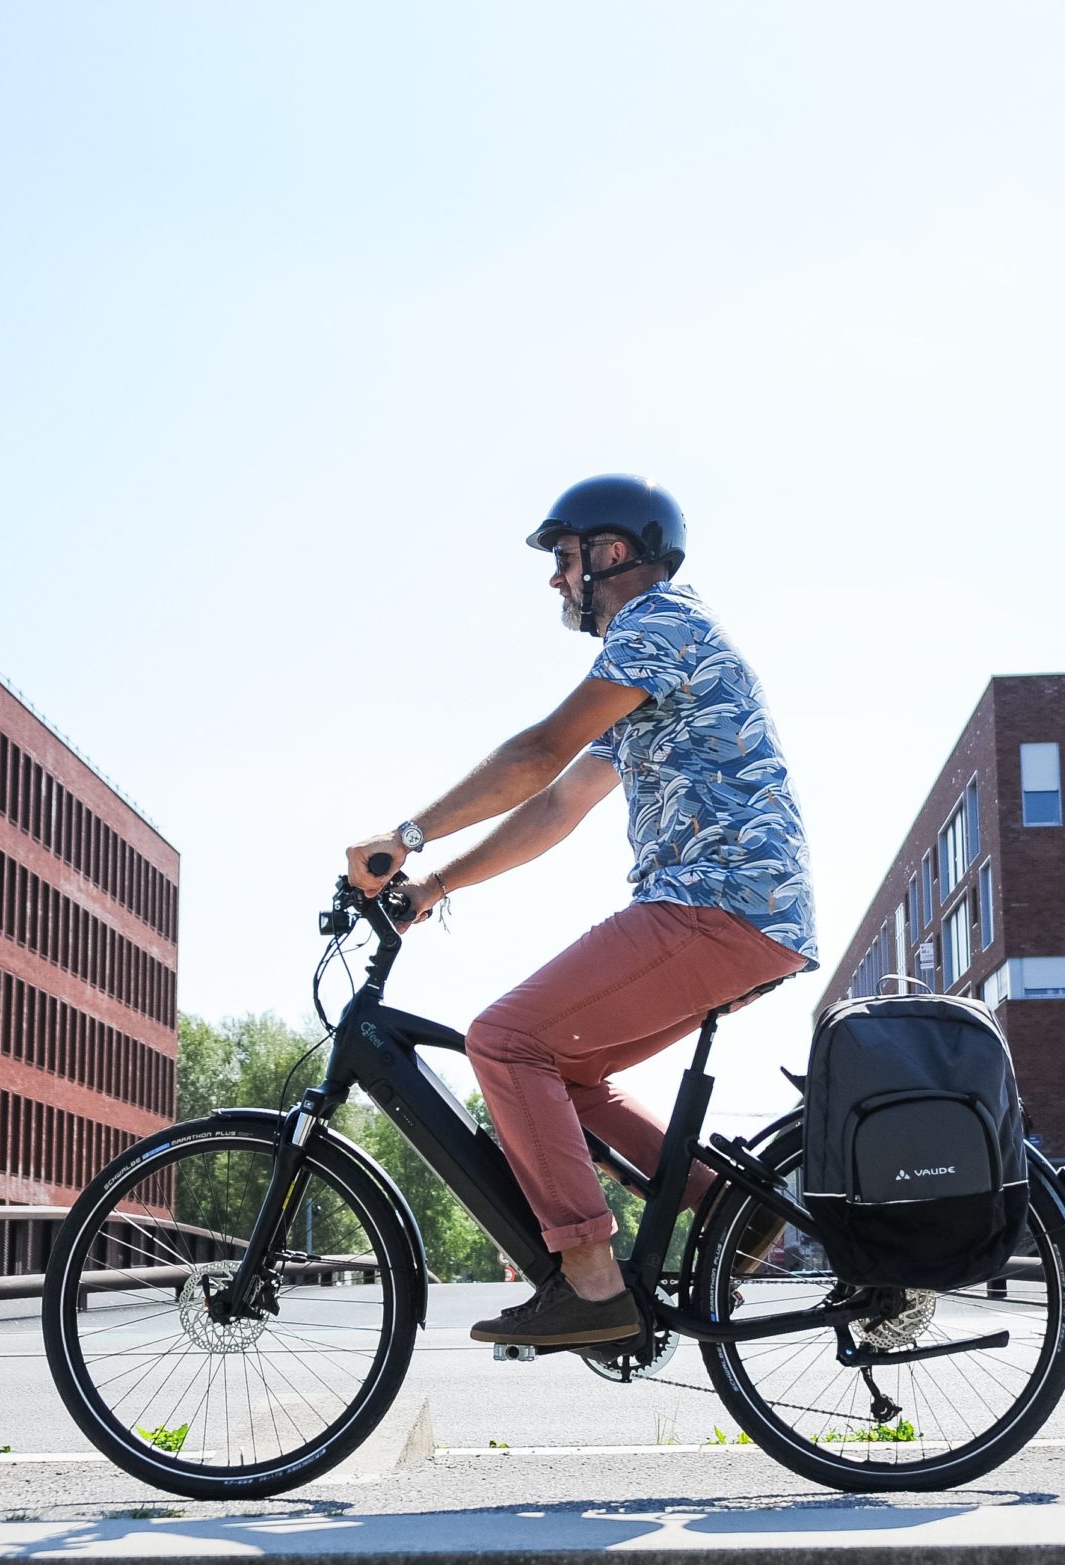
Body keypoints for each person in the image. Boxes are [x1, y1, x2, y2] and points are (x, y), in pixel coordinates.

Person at [345, 475, 818, 1347]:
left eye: (564, 560)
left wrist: (403, 835)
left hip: (715, 904)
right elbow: (558, 803)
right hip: (739, 913)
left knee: (503, 1038)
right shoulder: (651, 666)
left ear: (613, 554)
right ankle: (729, 1212)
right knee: (563, 1074)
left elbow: (536, 751)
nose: (556, 581)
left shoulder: (659, 625)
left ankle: (592, 1284)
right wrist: (437, 884)